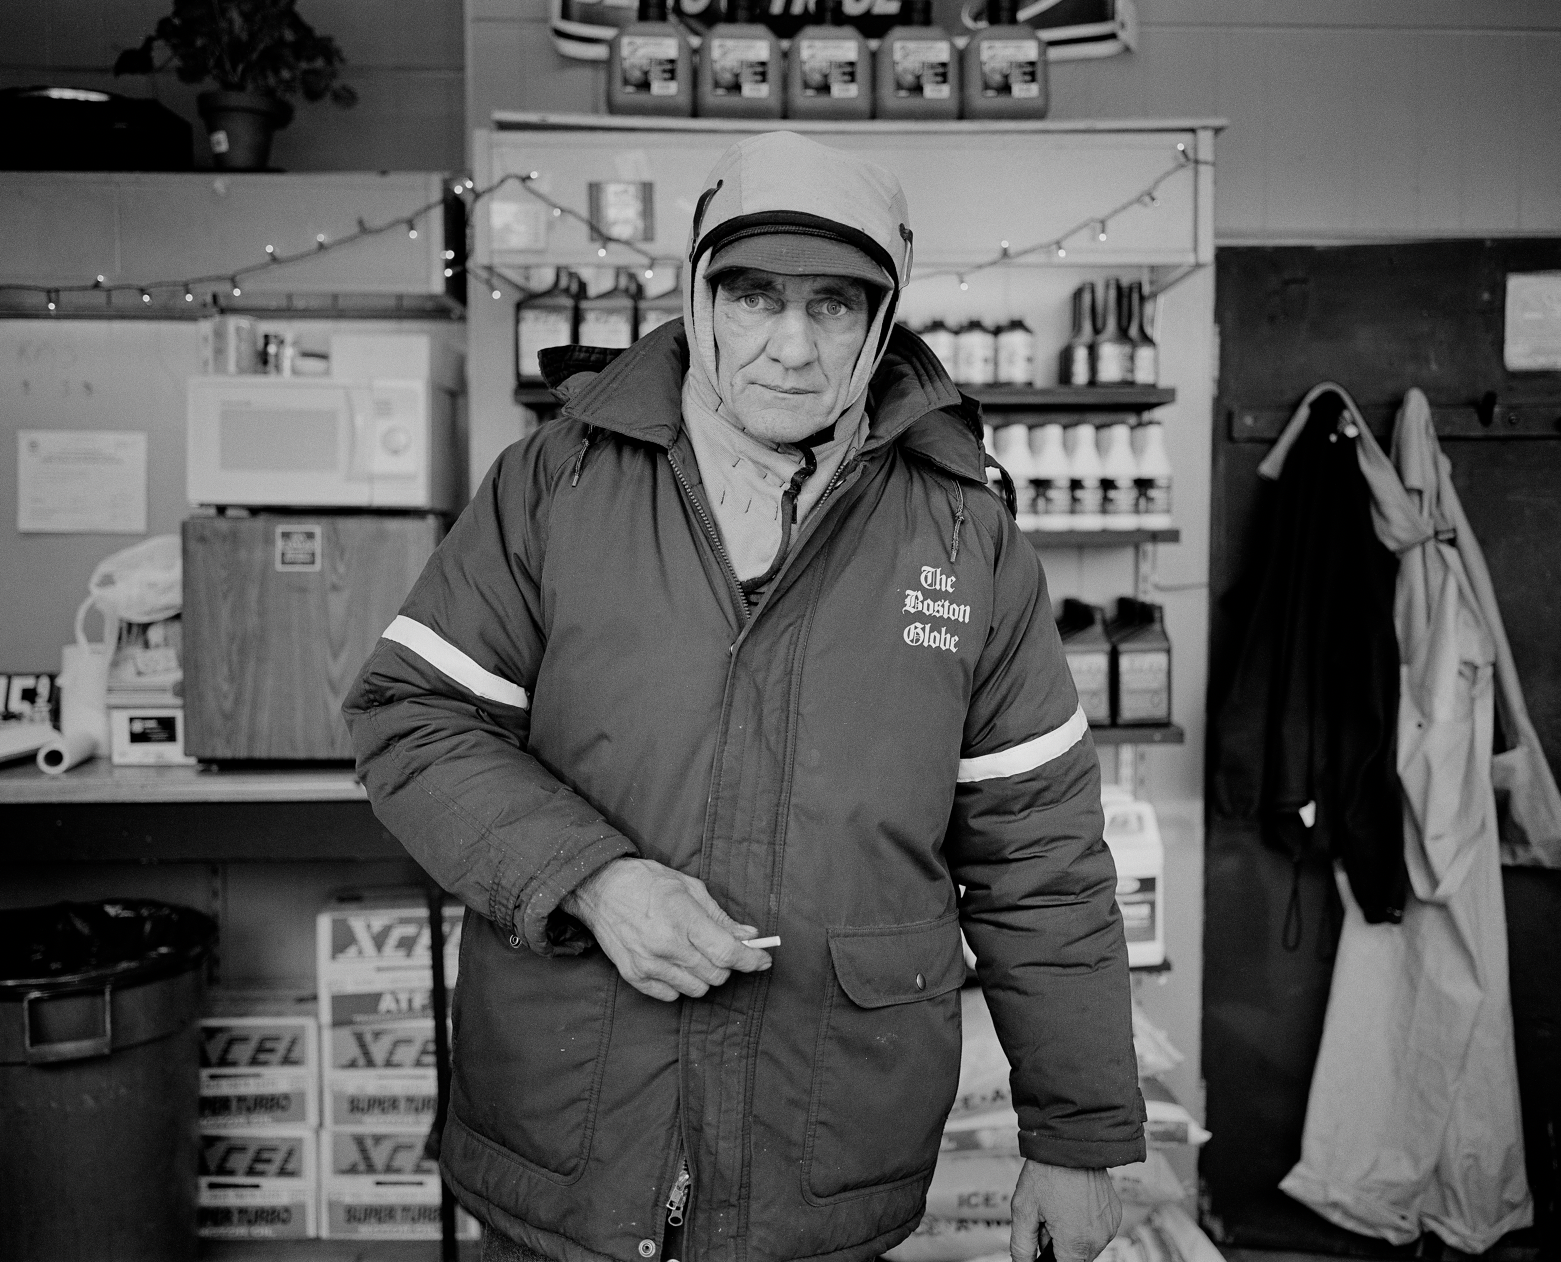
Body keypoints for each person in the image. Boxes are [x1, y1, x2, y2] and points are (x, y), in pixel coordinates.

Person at [345, 130, 1144, 1262]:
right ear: (696, 291)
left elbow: (1041, 855)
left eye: (832, 305)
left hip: (822, 1160)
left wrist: (1075, 1134)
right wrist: (594, 878)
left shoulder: (965, 536)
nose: (788, 345)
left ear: (881, 321)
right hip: (571, 1133)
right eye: (753, 294)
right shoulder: (558, 483)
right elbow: (410, 714)